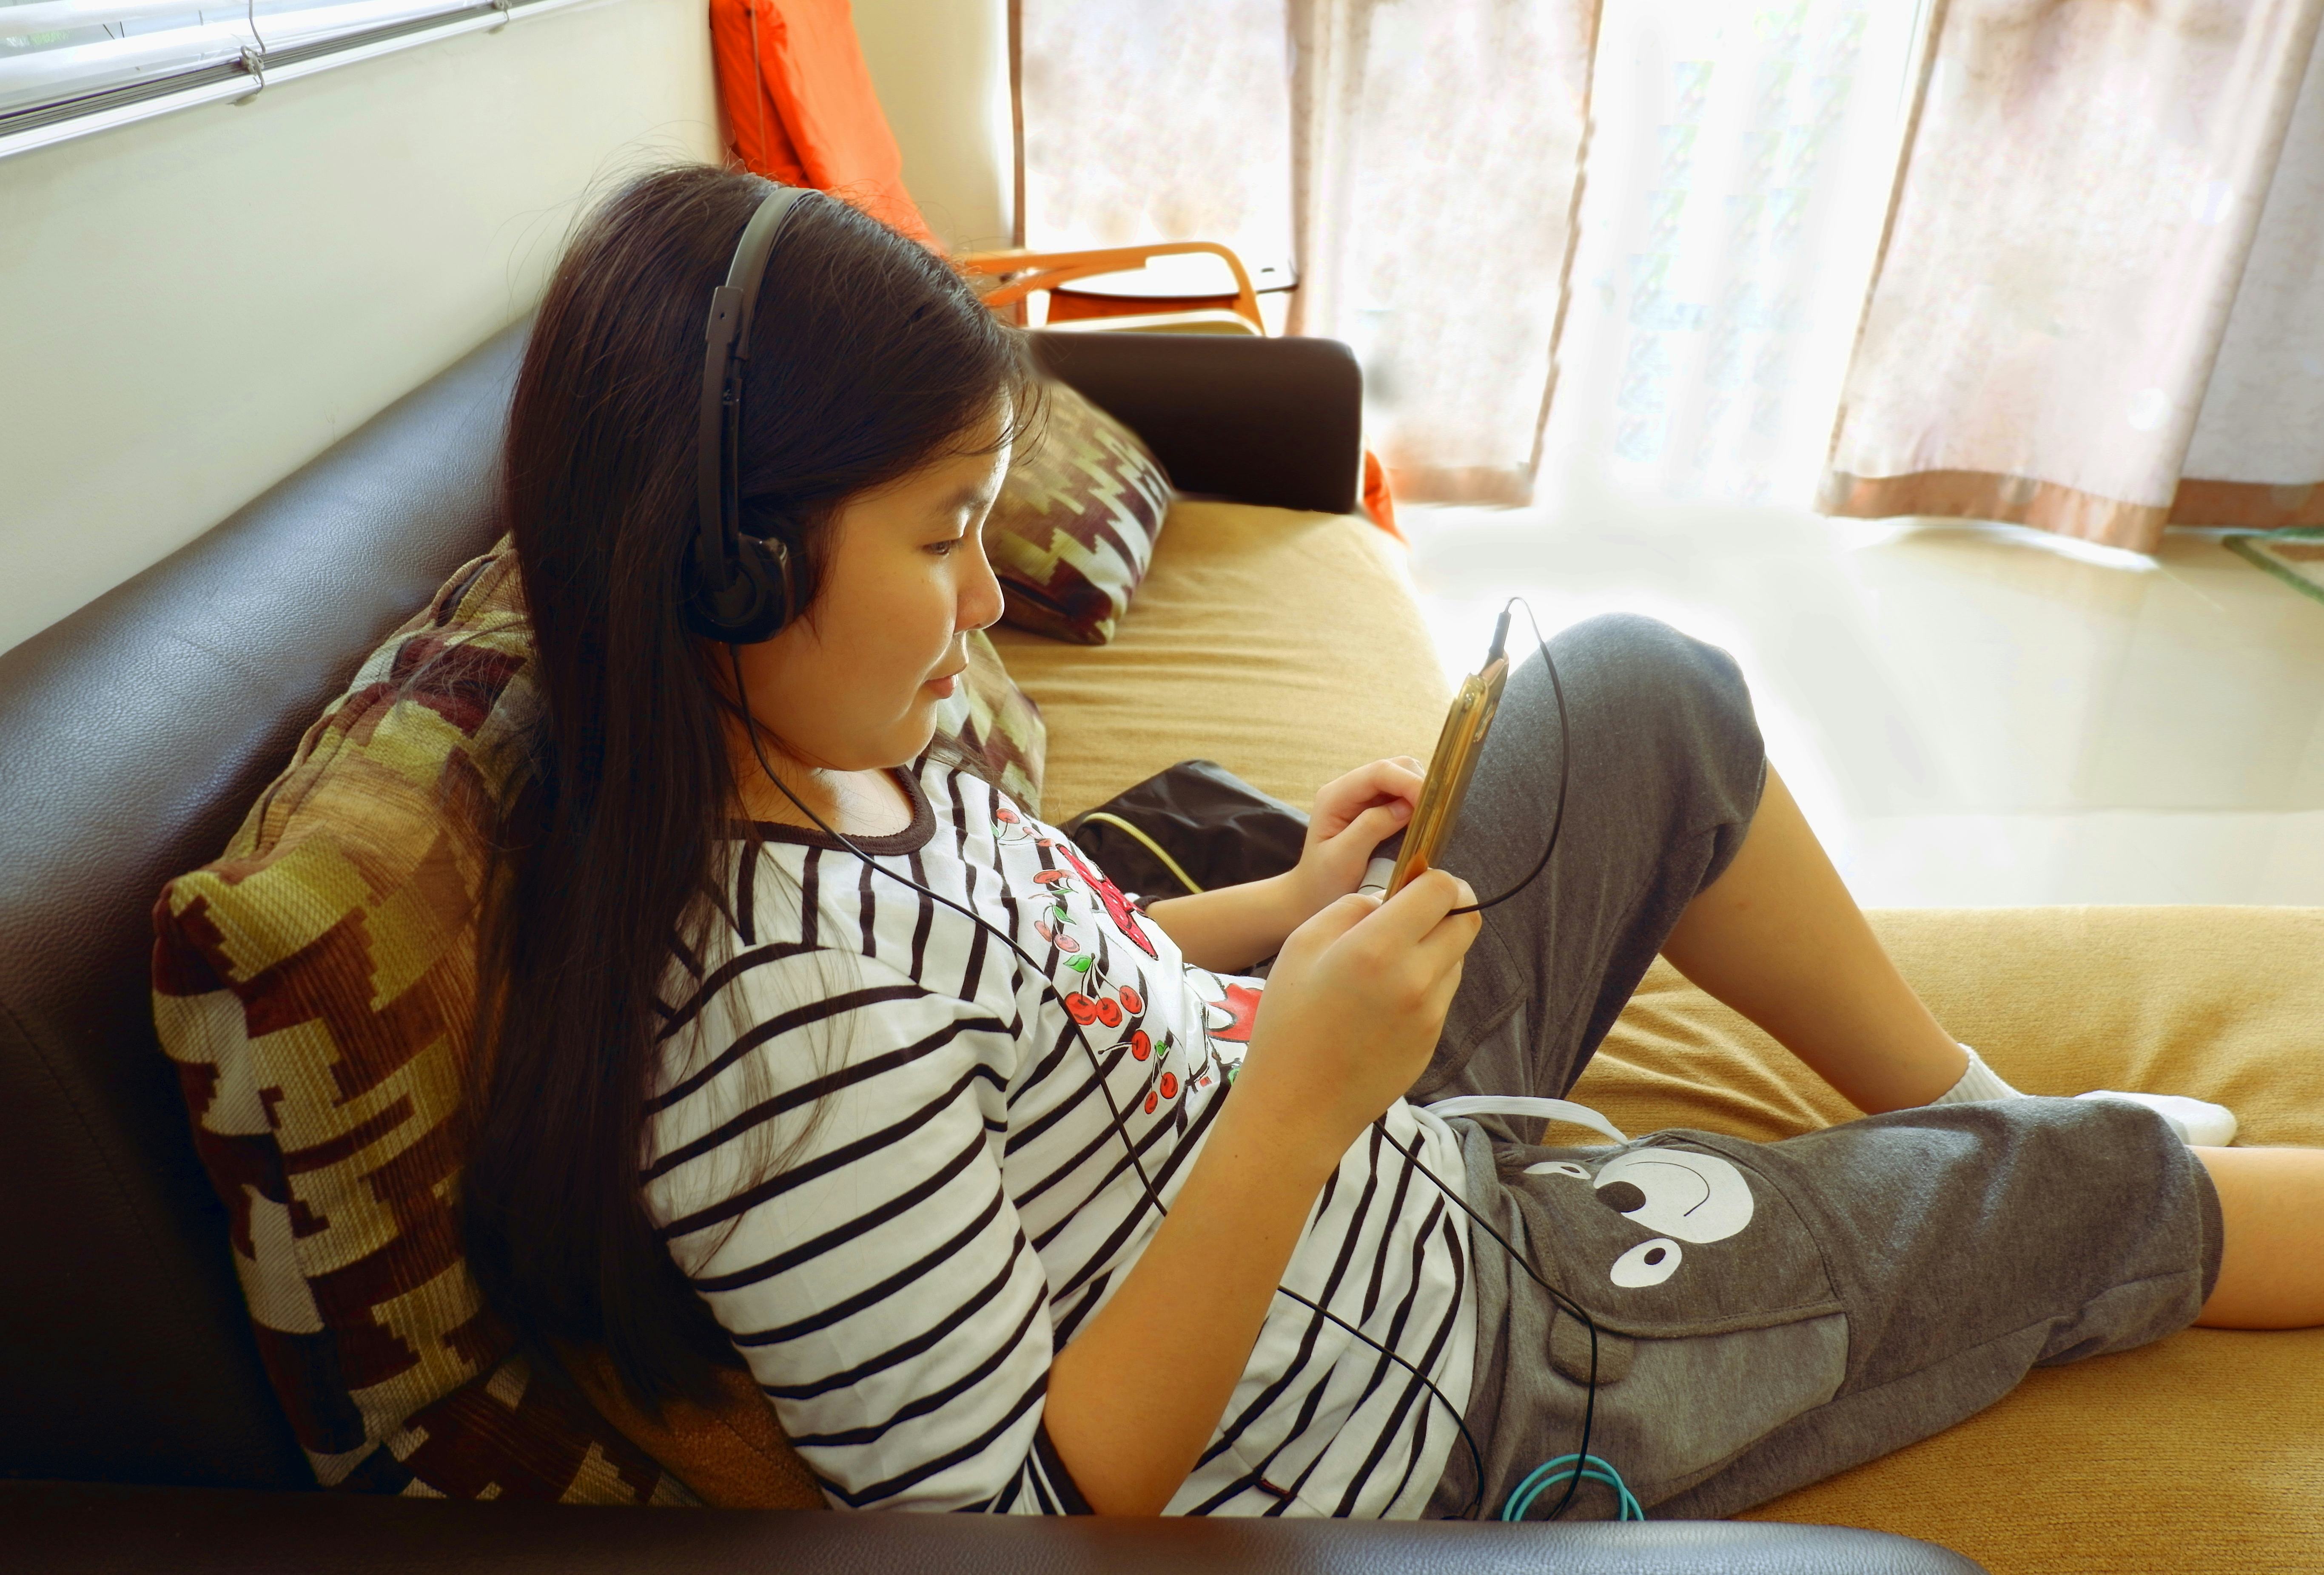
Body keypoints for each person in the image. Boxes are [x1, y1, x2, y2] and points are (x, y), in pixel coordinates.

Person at [461, 165, 2324, 1521]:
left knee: (1632, 694)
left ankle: (1956, 1086)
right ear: (732, 562)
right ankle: (2037, 1154)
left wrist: (1278, 911)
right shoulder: (786, 1037)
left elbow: (1043, 968)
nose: (984, 603)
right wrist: (1300, 1107)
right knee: (2069, 1187)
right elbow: (1026, 1512)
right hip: (1465, 1368)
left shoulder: (828, 749)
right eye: (945, 533)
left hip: (1328, 1126)